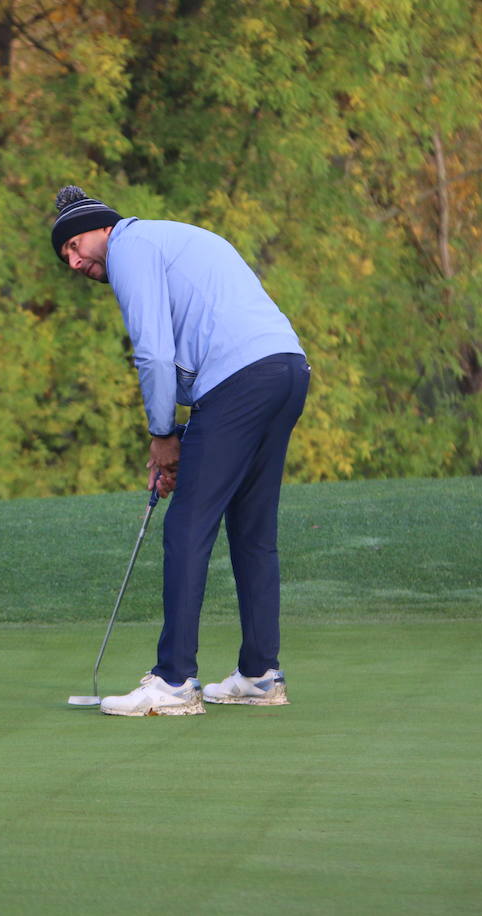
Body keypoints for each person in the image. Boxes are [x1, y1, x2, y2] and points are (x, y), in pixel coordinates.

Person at [50, 186, 310, 717]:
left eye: (76, 246)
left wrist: (163, 433)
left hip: (241, 378)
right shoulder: (169, 239)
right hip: (286, 369)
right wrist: (180, 438)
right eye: (66, 258)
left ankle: (174, 682)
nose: (75, 262)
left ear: (102, 228)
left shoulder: (130, 247)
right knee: (252, 529)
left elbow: (154, 350)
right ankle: (260, 674)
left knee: (187, 525)